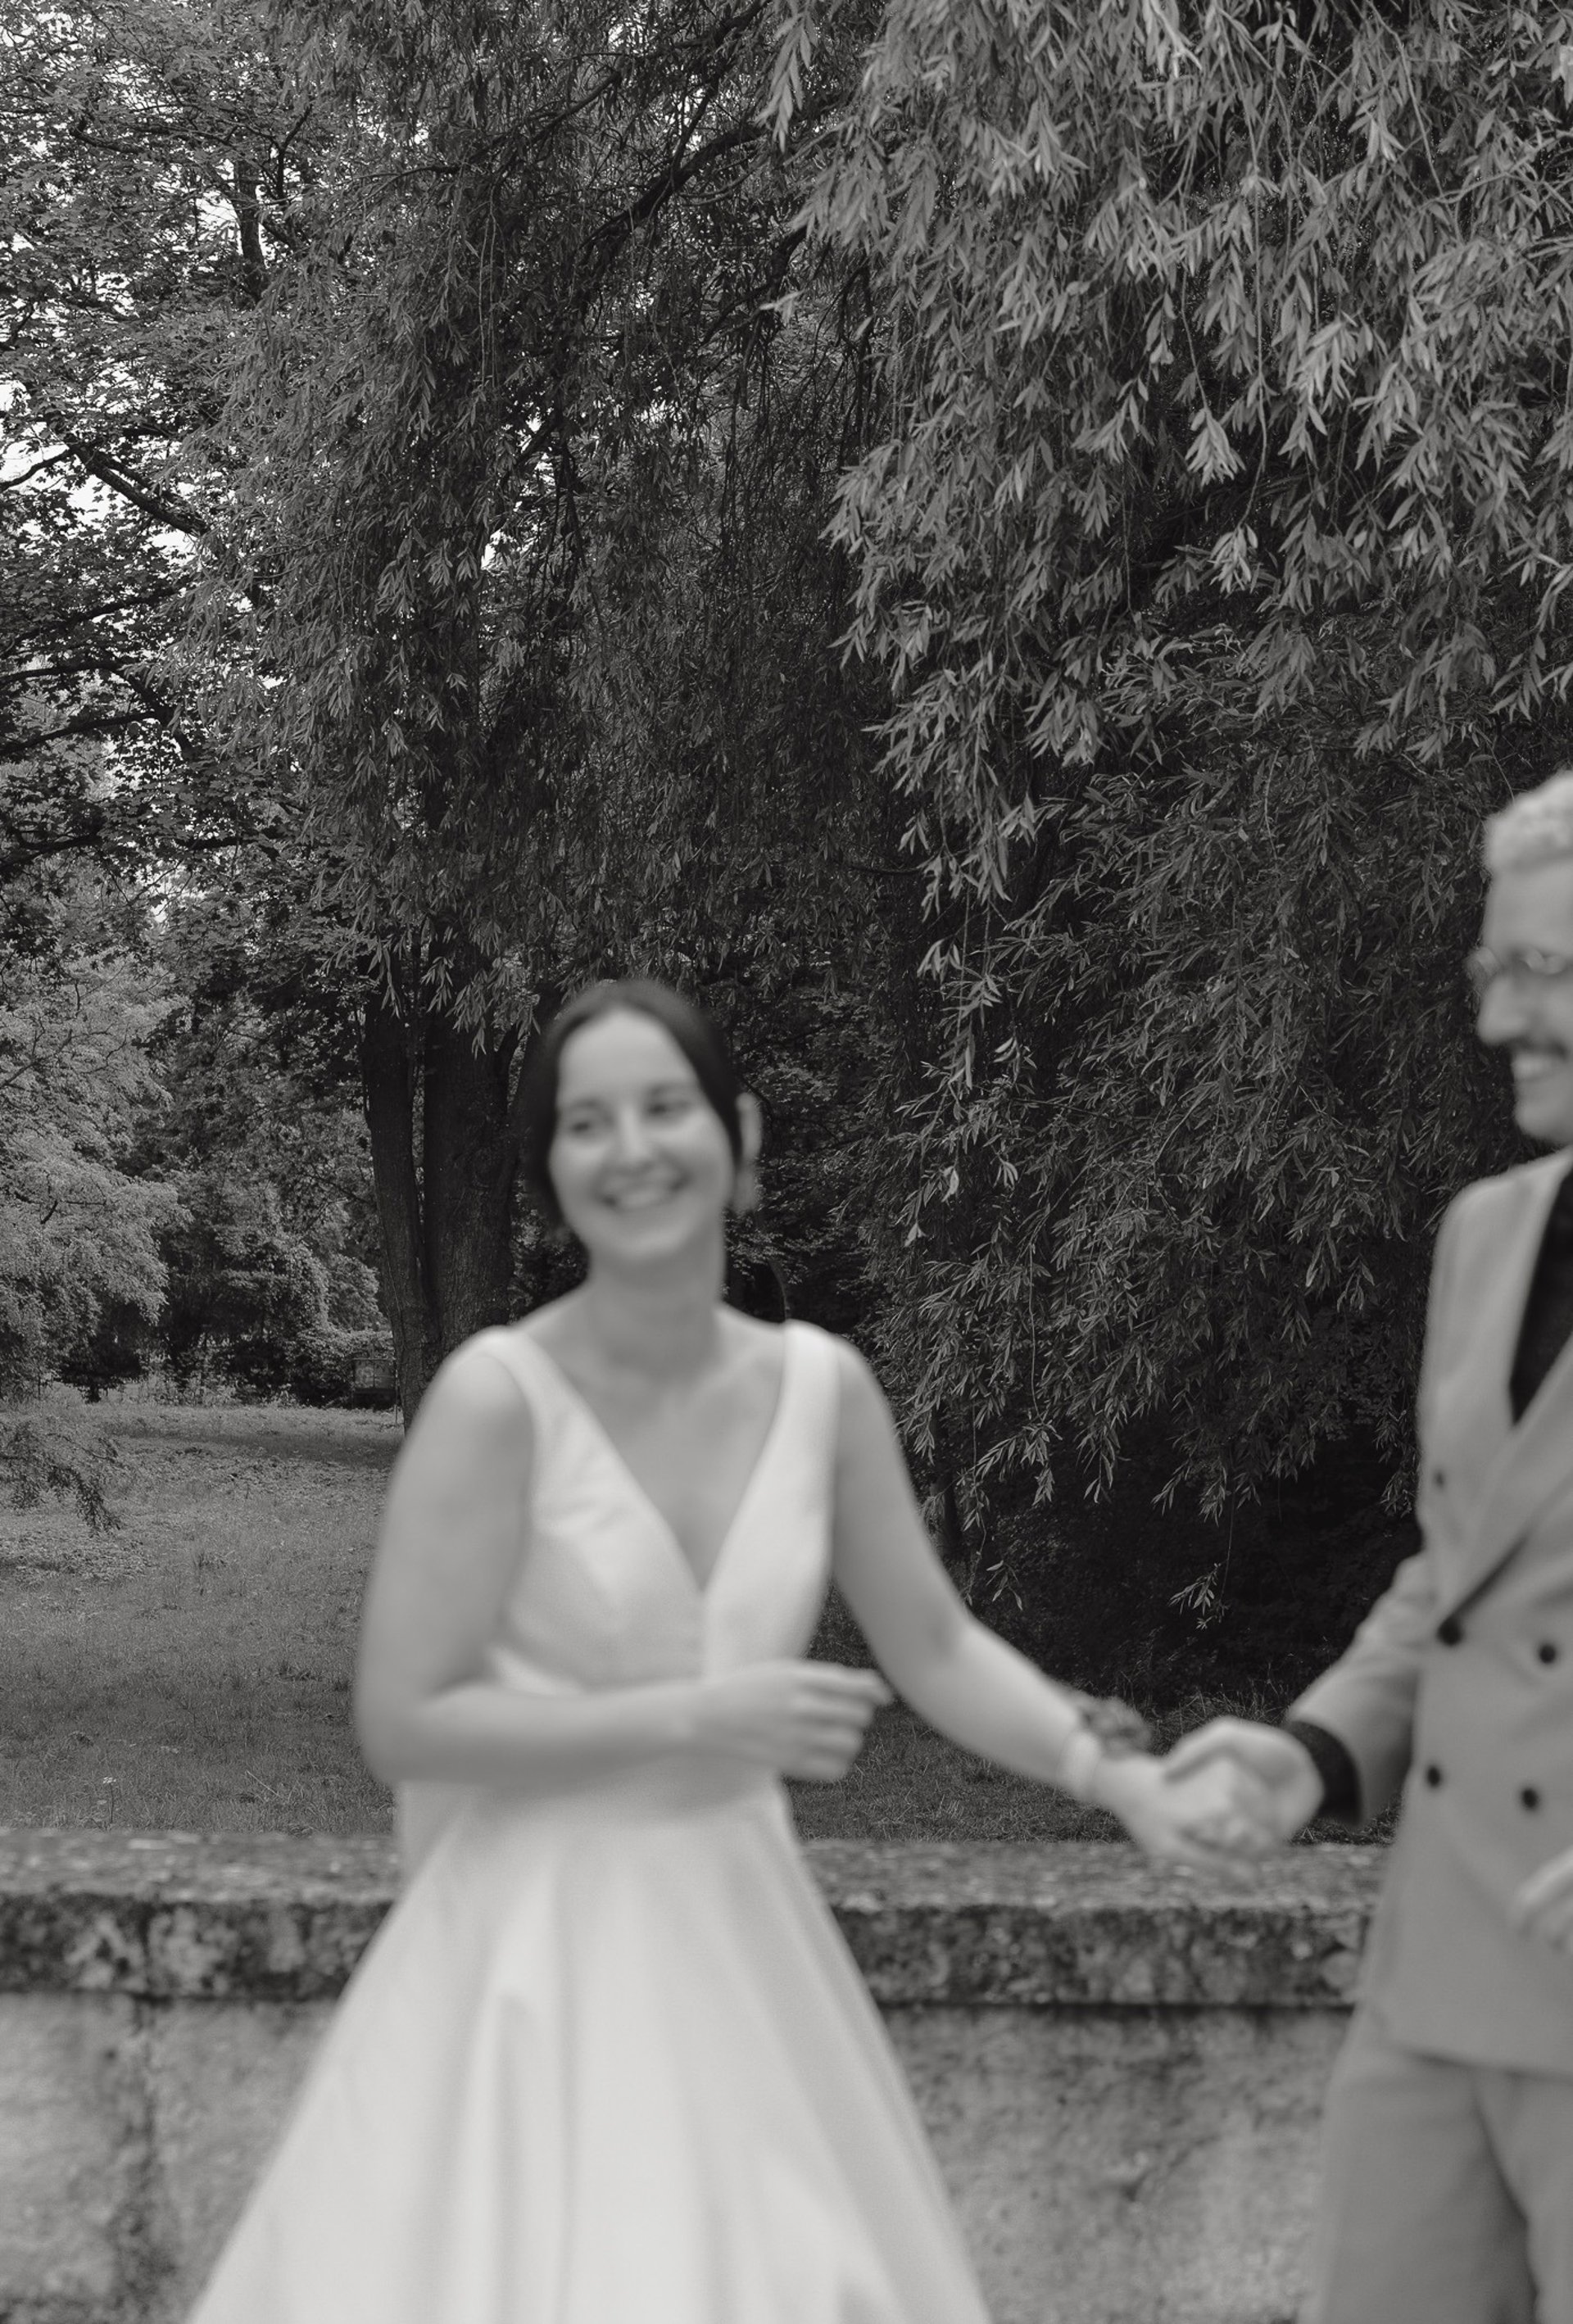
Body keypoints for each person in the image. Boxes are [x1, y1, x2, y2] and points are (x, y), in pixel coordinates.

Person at [188, 976, 1253, 2324]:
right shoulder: (496, 1400)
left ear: (739, 1140)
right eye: (587, 1123)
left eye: (663, 1107)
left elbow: (934, 1645)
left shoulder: (824, 1392)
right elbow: (404, 1719)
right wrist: (702, 1720)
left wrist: (1120, 1779)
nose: (631, 1148)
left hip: (743, 1950)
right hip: (530, 1958)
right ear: (552, 1176)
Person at [1165, 768, 1573, 2324]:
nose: (1494, 1019)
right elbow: (1458, 1572)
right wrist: (1317, 1752)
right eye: (1493, 969)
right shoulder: (1484, 1238)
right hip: (1440, 1973)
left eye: (1539, 969)